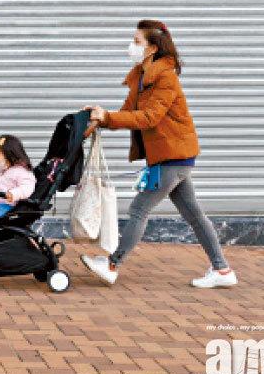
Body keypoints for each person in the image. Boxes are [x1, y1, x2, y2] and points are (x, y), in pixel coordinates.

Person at [80, 19, 236, 288]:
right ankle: (222, 270)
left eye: (137, 41)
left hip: (173, 156)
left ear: (152, 47)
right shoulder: (140, 76)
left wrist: (109, 117)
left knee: (139, 208)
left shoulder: (165, 77)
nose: (131, 45)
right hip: (171, 157)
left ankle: (112, 263)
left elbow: (150, 117)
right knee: (195, 216)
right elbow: (128, 113)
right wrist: (98, 118)